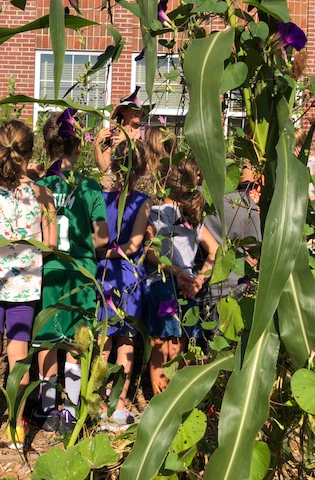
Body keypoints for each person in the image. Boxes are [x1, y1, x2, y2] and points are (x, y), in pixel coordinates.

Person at [0, 120, 57, 449]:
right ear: (30, 152)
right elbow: (52, 244)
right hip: (25, 284)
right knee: (19, 353)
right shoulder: (43, 194)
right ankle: (17, 423)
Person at [33, 109, 109, 434]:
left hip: (50, 271)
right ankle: (72, 412)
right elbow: (103, 237)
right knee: (78, 344)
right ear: (78, 147)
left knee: (47, 339)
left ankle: (48, 409)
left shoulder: (40, 185)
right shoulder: (89, 187)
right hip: (81, 274)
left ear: (48, 147)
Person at [144, 157, 219, 394]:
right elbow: (216, 251)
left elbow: (149, 251)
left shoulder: (155, 214)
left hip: (161, 283)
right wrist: (198, 280)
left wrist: (172, 270)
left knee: (159, 345)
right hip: (186, 285)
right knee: (180, 345)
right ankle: (177, 397)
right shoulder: (192, 218)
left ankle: (159, 399)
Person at [96, 141, 152, 432]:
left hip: (103, 273)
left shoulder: (102, 197)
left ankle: (98, 404)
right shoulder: (143, 201)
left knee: (103, 339)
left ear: (115, 165)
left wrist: (102, 253)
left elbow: (98, 237)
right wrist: (117, 252)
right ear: (142, 169)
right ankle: (118, 407)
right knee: (125, 341)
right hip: (128, 276)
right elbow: (135, 244)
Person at [195, 164, 261, 326]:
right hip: (236, 285)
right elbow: (254, 250)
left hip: (202, 283)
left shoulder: (196, 199)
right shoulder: (246, 203)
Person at [94, 87, 154, 175]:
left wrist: (125, 143)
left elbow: (153, 163)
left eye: (140, 109)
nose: (139, 111)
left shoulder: (148, 132)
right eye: (134, 108)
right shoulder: (113, 134)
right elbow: (103, 167)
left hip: (142, 183)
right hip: (119, 182)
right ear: (123, 111)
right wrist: (96, 145)